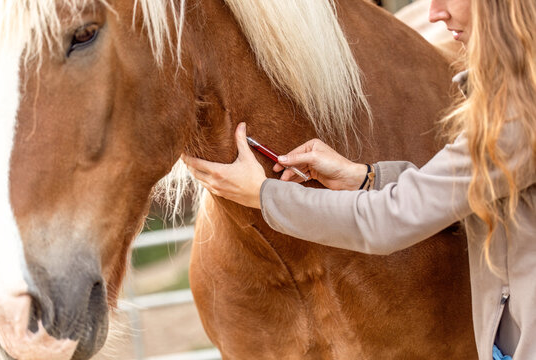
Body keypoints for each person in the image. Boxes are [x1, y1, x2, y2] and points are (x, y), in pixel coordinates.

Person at [182, 0, 536, 359]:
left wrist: (263, 194)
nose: (434, 13)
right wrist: (364, 177)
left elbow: (389, 220)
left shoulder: (519, 117)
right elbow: (463, 193)